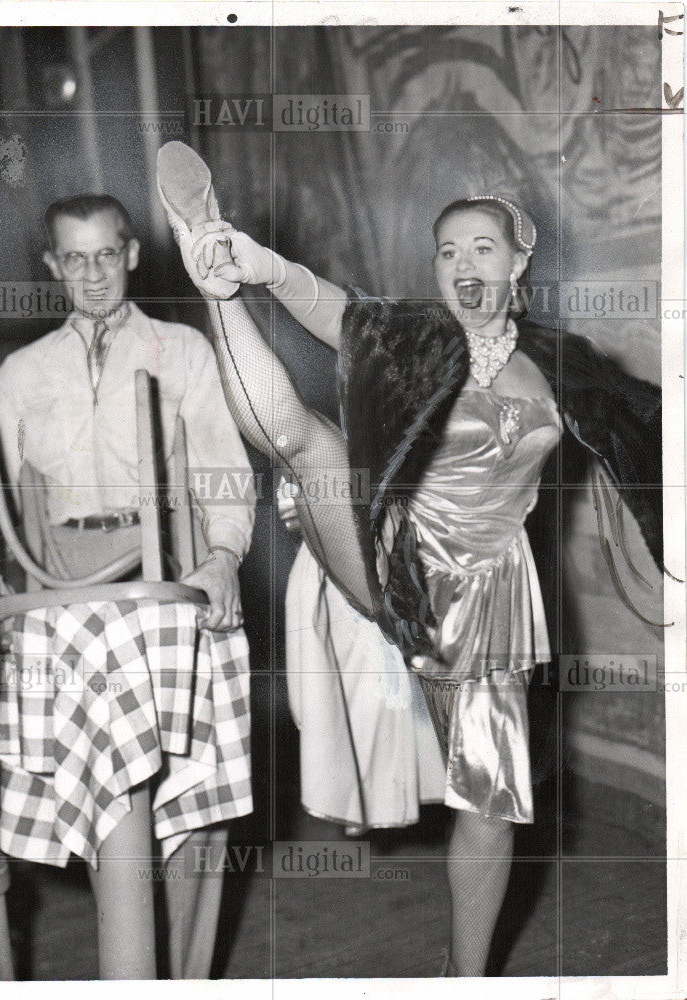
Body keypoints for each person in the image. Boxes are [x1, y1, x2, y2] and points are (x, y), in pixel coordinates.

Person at [156, 142, 663, 976]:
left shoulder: (563, 366)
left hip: (492, 598)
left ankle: (463, 980)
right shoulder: (415, 336)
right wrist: (259, 267)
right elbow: (338, 310)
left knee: (495, 805)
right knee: (305, 443)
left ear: (517, 261)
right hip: (391, 555)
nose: (462, 264)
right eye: (447, 250)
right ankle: (209, 275)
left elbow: (643, 429)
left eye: (482, 248)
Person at [0, 193, 255, 979]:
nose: (92, 274)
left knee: (190, 799)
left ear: (129, 255)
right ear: (52, 266)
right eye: (73, 259)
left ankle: (182, 982)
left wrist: (223, 555)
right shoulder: (21, 374)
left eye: (105, 255)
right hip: (65, 599)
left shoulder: (182, 350)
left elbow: (224, 466)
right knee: (105, 797)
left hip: (167, 584)